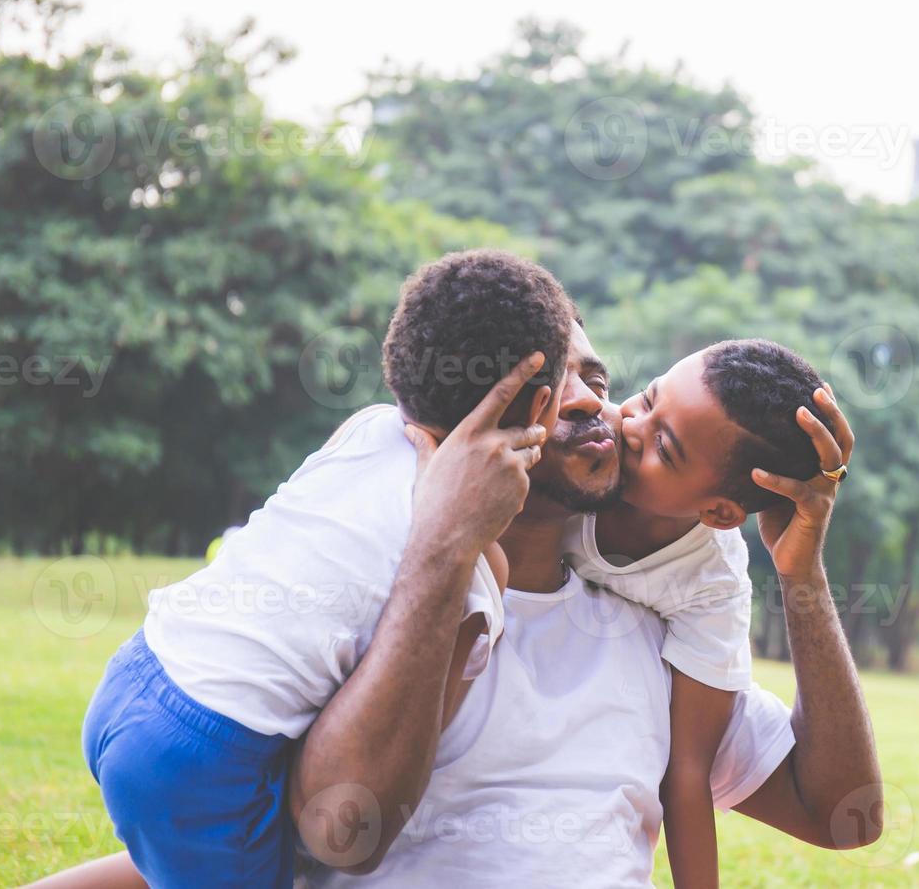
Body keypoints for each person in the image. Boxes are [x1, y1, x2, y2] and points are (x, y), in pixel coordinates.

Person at [291, 322, 883, 885]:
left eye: (597, 384)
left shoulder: (674, 617)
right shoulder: (396, 597)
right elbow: (332, 828)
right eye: (546, 387)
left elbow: (841, 812)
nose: (611, 416)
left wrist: (801, 576)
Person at [62, 250, 577, 889]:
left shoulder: (364, 430)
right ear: (543, 408)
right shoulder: (470, 564)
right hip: (207, 753)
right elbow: (408, 738)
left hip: (137, 674)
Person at [566, 338, 838, 887]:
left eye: (662, 449)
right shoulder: (574, 455)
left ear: (718, 511)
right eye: (646, 398)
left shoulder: (712, 580)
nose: (628, 425)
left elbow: (687, 774)